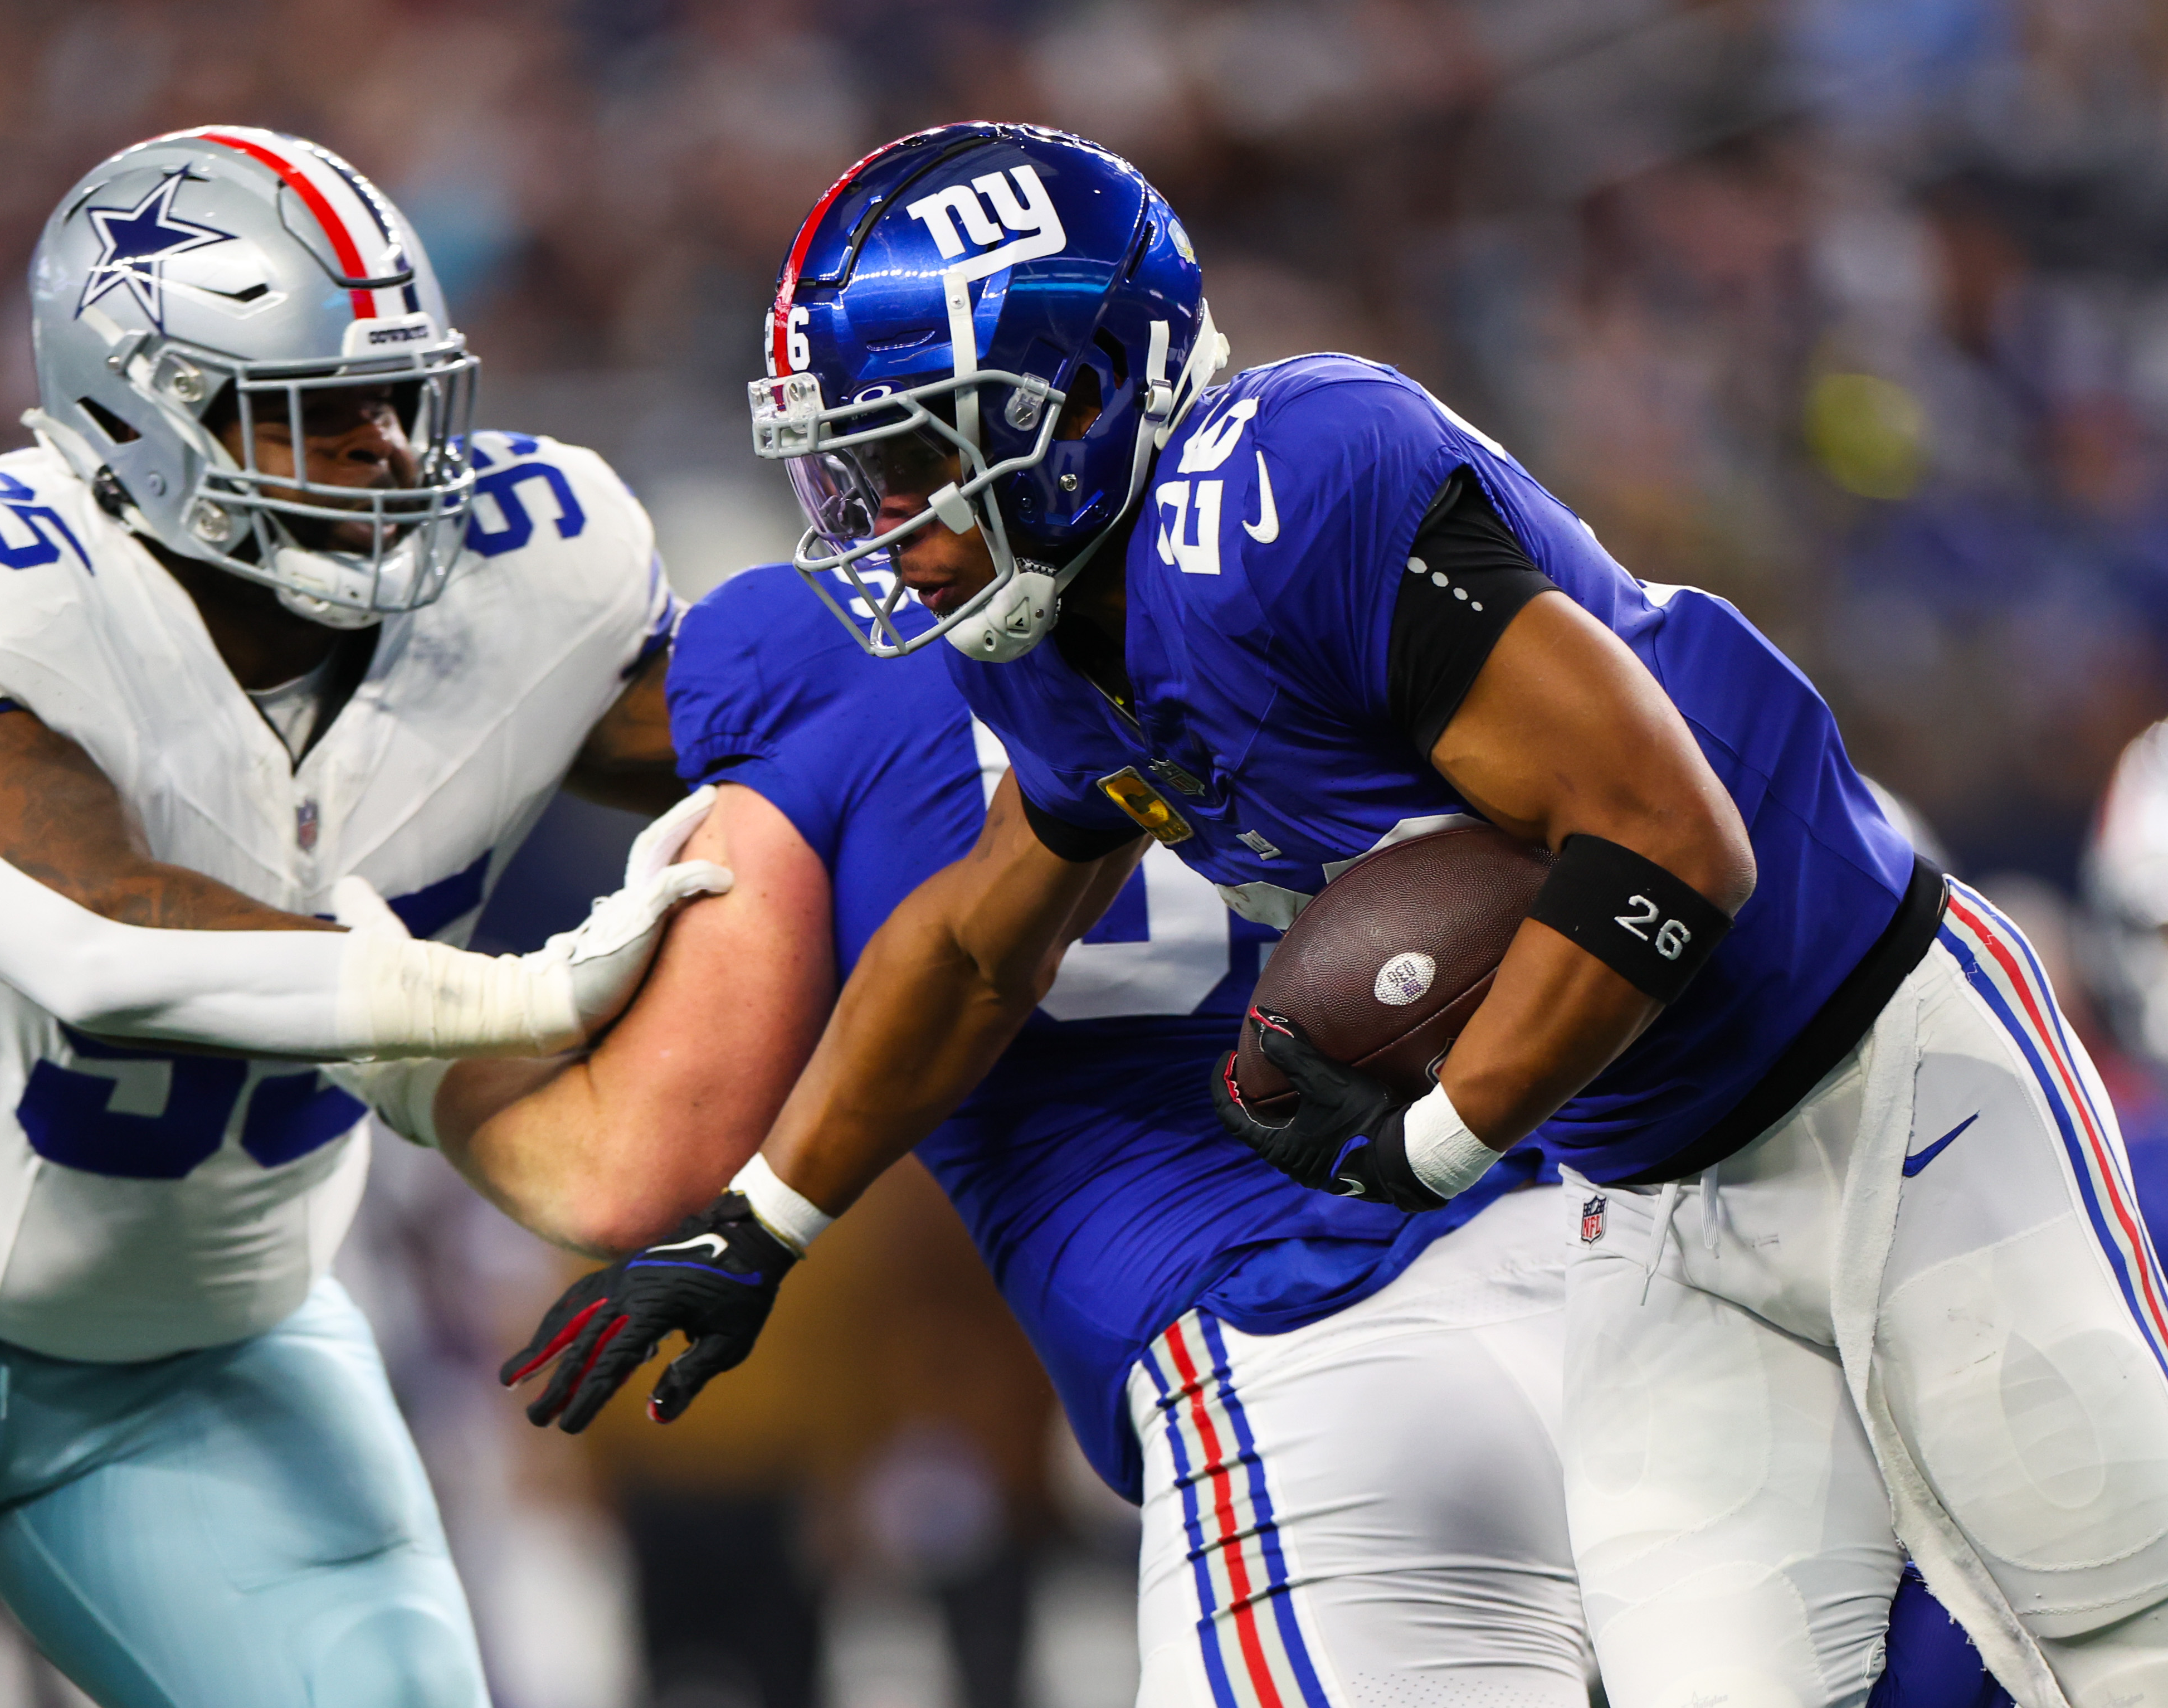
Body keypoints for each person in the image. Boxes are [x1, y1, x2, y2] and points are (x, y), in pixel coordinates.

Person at [506, 123, 2168, 1705]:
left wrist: (1436, 1137)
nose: (883, 519)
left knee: (2121, 1618)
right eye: (857, 466)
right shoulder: (1067, 645)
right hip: (1649, 1186)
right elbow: (969, 941)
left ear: (1080, 402)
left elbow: (1674, 842)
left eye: (916, 456)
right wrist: (762, 1225)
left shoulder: (1291, 478)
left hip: (1878, 1065)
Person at [0, 128, 724, 1708]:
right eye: (317, 413)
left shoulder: (534, 564)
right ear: (134, 415)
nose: (393, 450)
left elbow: (786, 752)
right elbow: (101, 941)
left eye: (400, 397)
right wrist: (519, 999)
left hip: (204, 1316)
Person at [352, 554, 1594, 1701]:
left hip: (1271, 1336)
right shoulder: (1298, 555)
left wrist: (383, 1043)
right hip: (1581, 1251)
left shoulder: (807, 650)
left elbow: (625, 1168)